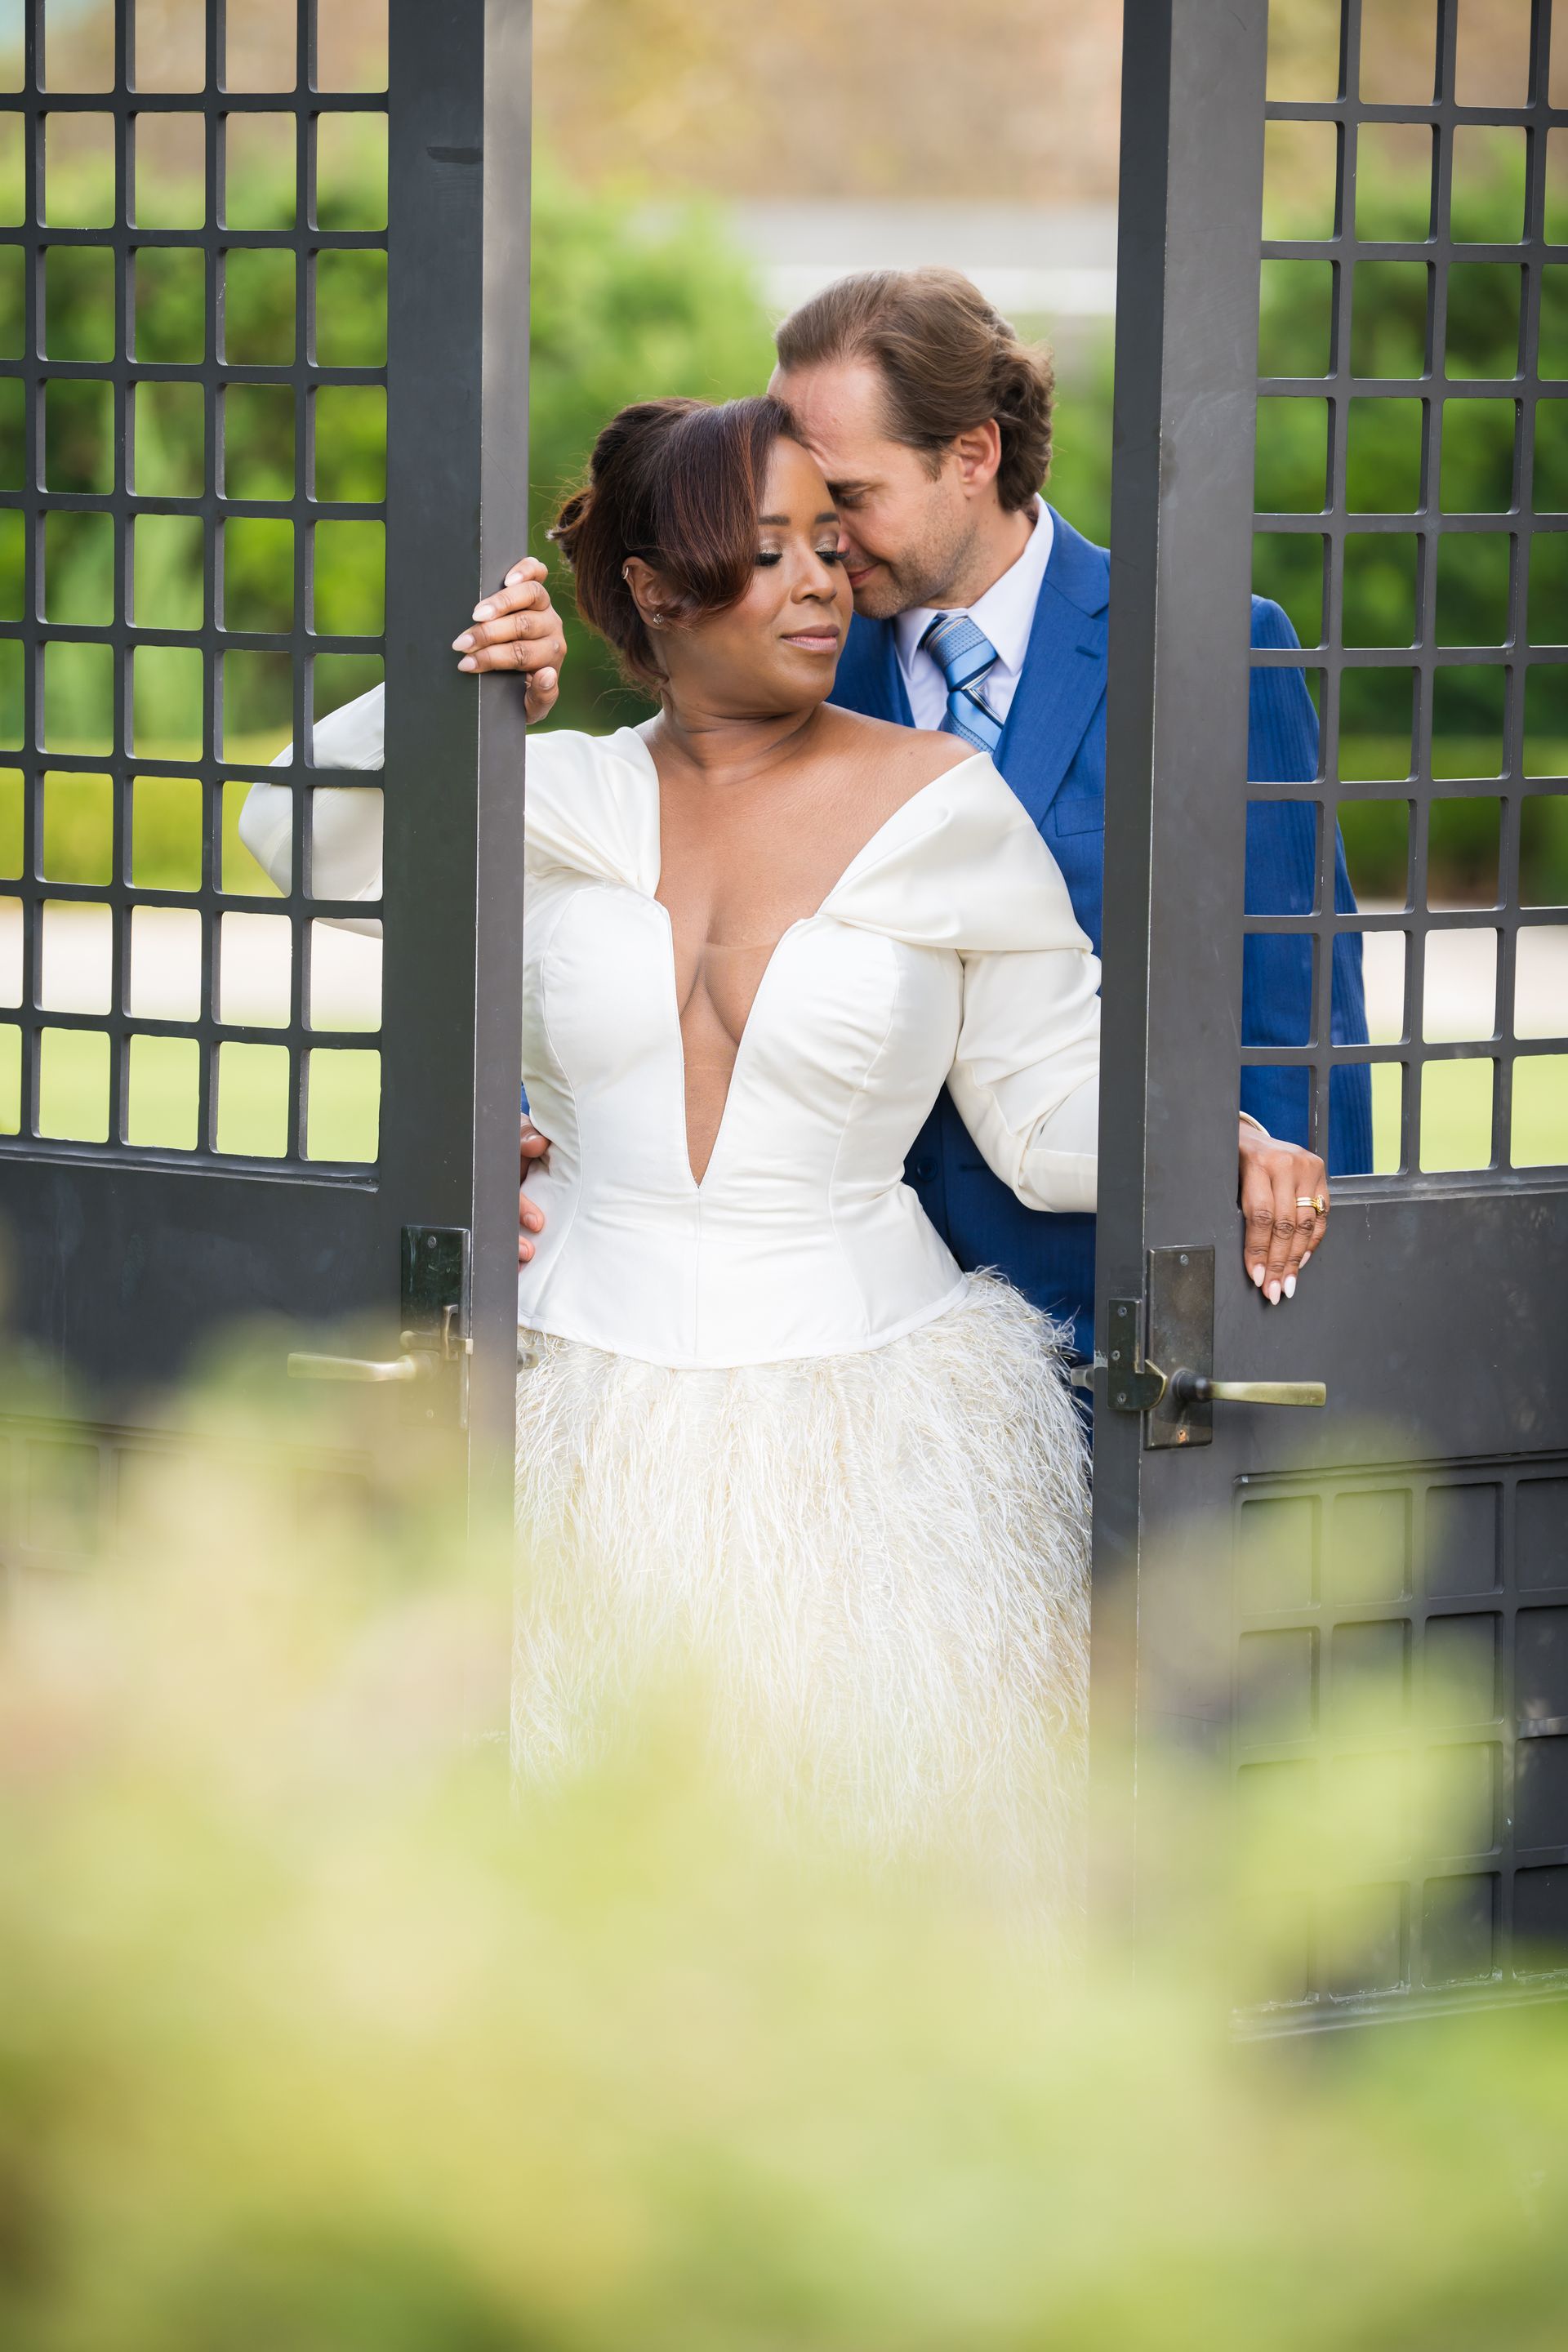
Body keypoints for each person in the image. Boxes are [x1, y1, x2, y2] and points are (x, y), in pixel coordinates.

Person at [242, 396, 1102, 1899]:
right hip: (573, 1412)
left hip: (869, 1440)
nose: (822, 582)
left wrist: (1228, 1134)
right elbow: (290, 834)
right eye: (769, 554)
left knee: (856, 1882)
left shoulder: (946, 807)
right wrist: (464, 678)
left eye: (830, 547)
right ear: (654, 588)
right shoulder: (552, 793)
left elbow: (1043, 1122)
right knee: (566, 1875)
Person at [462, 270, 1368, 1358]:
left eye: (844, 498)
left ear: (973, 457)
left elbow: (1287, 1008)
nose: (821, 548)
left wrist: (1291, 1280)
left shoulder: (1211, 649)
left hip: (1125, 1302)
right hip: (836, 1332)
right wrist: (534, 1117)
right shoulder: (790, 656)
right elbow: (645, 904)